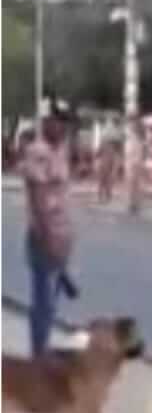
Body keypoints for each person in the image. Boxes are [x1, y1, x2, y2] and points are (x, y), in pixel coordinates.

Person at [20, 111, 79, 358]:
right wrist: (47, 238)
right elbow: (38, 199)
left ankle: (42, 351)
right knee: (43, 304)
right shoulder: (38, 153)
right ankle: (38, 356)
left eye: (65, 123)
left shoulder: (60, 152)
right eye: (58, 122)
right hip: (44, 236)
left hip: (61, 236)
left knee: (51, 303)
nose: (63, 128)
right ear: (46, 123)